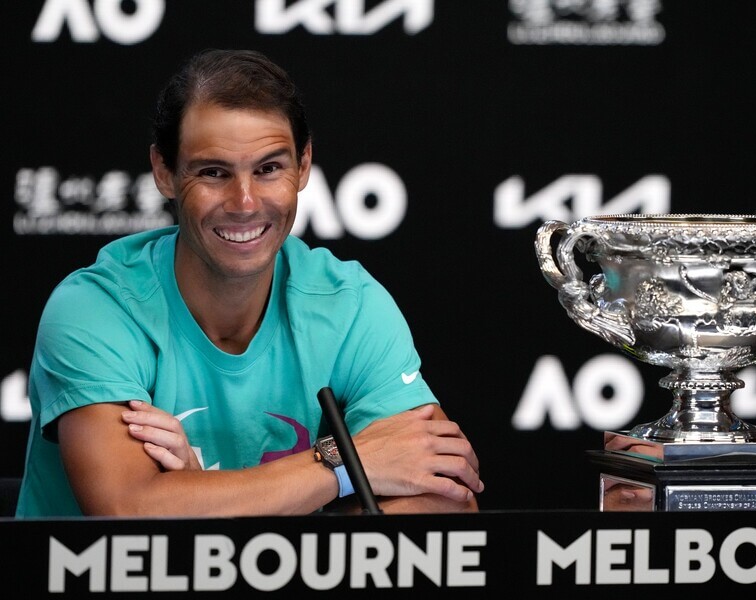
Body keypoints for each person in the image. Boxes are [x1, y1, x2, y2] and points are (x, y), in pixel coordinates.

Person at [15, 48, 483, 518]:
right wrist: (342, 464)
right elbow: (127, 509)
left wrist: (201, 498)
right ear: (164, 172)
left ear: (303, 166)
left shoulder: (350, 304)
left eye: (268, 169)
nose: (244, 202)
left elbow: (447, 498)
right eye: (213, 172)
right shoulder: (97, 308)